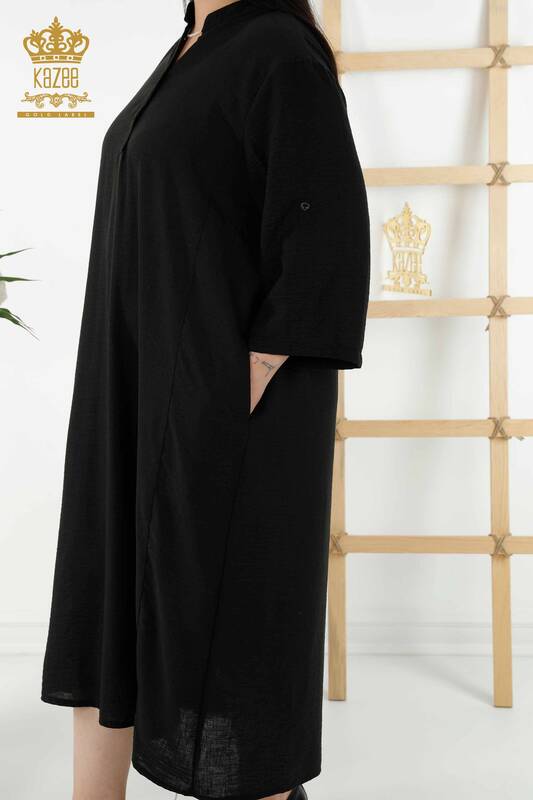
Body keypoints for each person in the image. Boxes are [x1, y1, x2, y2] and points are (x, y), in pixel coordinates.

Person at [40, 1, 371, 798]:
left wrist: (231, 383)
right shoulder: (190, 47)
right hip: (133, 395)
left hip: (224, 414)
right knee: (109, 604)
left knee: (233, 637)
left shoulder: (277, 49)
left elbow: (326, 233)